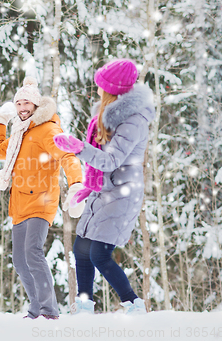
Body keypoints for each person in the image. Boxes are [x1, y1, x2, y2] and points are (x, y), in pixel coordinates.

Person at [53, 59, 155, 315]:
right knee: (81, 248)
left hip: (122, 193)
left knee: (99, 253)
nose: (97, 89)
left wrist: (78, 148)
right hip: (105, 189)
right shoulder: (111, 115)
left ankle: (134, 304)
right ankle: (84, 305)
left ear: (113, 90)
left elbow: (111, 160)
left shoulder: (133, 120)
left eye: (101, 85)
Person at [0, 76, 84, 320]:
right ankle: (35, 309)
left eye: (26, 104)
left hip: (42, 200)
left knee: (32, 251)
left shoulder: (47, 129)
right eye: (18, 104)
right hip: (19, 202)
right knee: (20, 261)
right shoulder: (21, 133)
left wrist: (76, 184)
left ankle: (48, 311)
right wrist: (0, 120)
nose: (22, 108)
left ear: (36, 106)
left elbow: (68, 155)